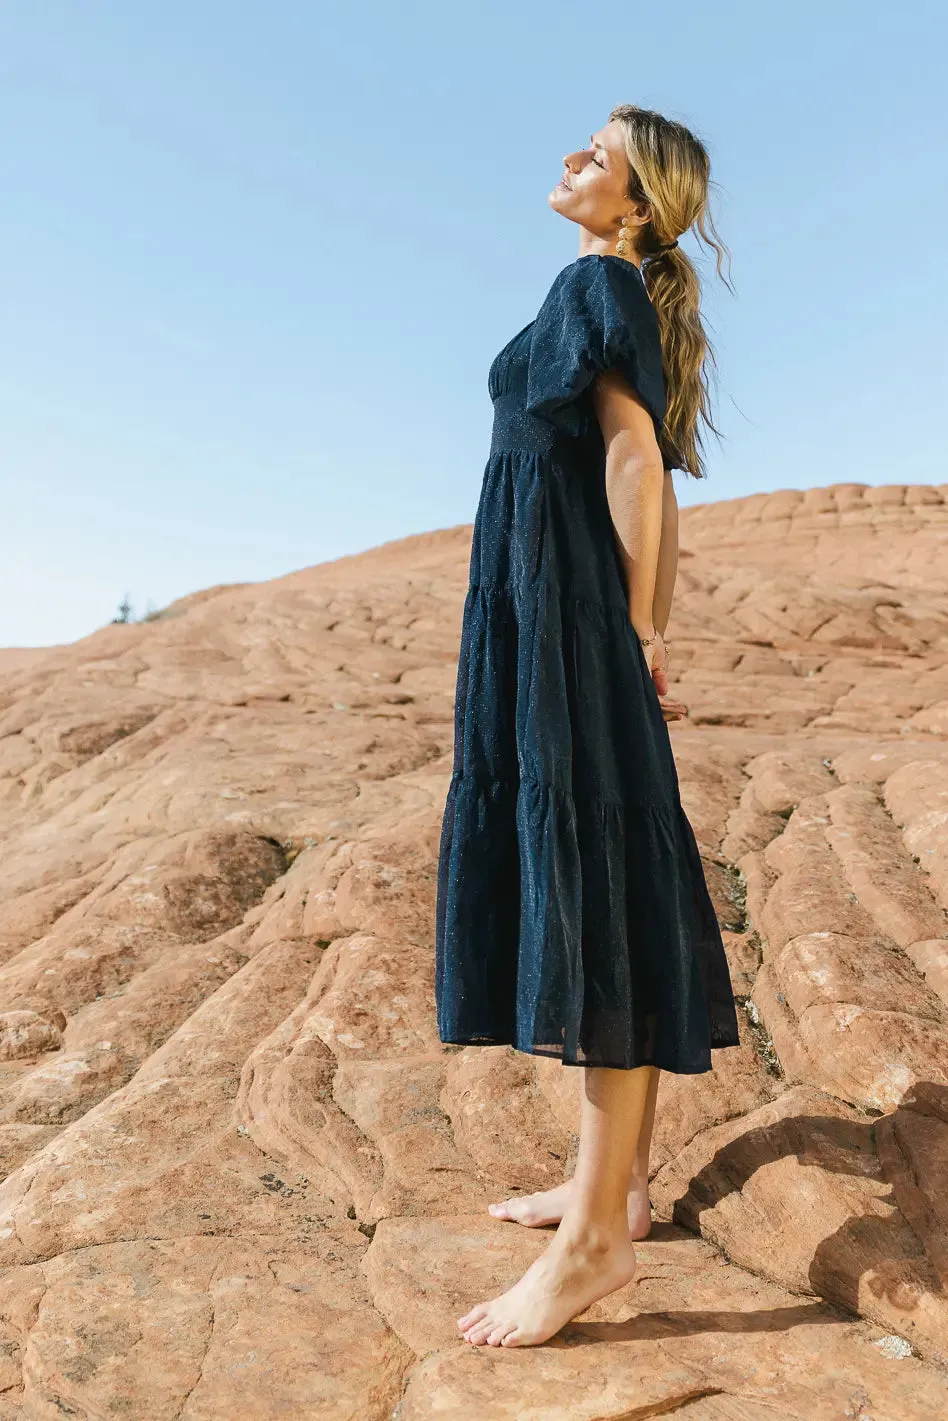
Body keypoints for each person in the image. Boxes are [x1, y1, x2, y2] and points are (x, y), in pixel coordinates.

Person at [435, 104, 742, 1349]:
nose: (572, 160)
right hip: (550, 611)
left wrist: (637, 632)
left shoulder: (596, 281)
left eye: (597, 156)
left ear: (636, 203)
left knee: (594, 892)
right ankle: (610, 1186)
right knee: (597, 888)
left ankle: (597, 1241)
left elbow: (635, 460)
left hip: (563, 618)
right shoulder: (602, 286)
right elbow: (637, 460)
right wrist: (645, 628)